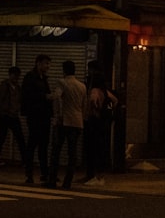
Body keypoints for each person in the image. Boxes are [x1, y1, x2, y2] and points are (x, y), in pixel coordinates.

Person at [48, 60, 87, 189]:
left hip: (64, 121)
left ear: (64, 70)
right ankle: (67, 182)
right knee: (72, 152)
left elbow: (57, 97)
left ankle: (52, 180)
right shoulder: (82, 86)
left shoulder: (62, 83)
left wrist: (50, 99)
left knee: (56, 151)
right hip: (77, 122)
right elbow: (84, 105)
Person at [82, 59, 117, 186]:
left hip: (93, 122)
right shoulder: (105, 90)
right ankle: (99, 175)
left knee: (92, 148)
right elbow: (115, 100)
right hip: (103, 123)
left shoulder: (94, 90)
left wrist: (94, 110)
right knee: (101, 148)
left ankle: (93, 175)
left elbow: (93, 102)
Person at [22, 54, 53, 184]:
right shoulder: (30, 78)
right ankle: (29, 173)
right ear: (38, 63)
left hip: (44, 116)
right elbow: (28, 96)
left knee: (43, 145)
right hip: (35, 115)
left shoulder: (43, 79)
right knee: (33, 144)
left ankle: (44, 173)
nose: (48, 66)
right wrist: (45, 97)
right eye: (46, 63)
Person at [0, 66, 25, 163]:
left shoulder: (17, 87)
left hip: (13, 115)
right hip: (5, 115)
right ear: (10, 75)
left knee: (19, 138)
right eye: (14, 75)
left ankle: (25, 160)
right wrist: (2, 112)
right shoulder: (5, 85)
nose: (16, 78)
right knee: (2, 137)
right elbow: (0, 100)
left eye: (17, 76)